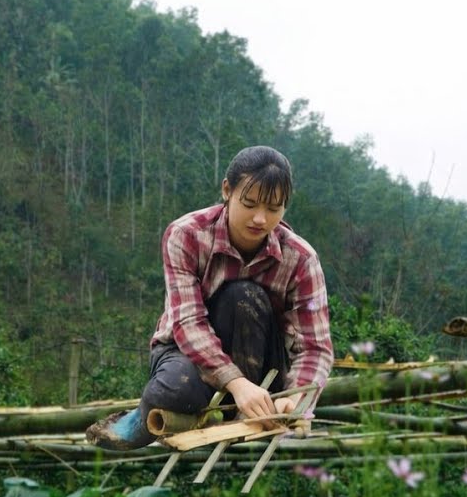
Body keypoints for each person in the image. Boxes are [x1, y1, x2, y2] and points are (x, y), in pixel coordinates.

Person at [86, 145, 334, 450]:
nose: (260, 218)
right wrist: (237, 383)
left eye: (273, 208)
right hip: (187, 351)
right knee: (173, 393)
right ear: (227, 190)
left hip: (262, 367)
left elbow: (315, 347)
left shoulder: (301, 259)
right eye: (250, 203)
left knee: (247, 297)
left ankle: (245, 413)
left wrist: (296, 398)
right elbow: (188, 322)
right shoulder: (186, 235)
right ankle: (138, 419)